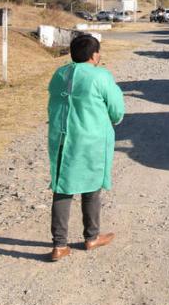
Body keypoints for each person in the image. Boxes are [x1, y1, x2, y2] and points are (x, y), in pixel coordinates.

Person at [46, 34, 125, 261]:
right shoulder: (101, 76)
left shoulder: (59, 74)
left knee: (62, 188)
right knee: (92, 189)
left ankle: (59, 245)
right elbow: (117, 109)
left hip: (62, 138)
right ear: (95, 55)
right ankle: (91, 237)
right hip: (91, 140)